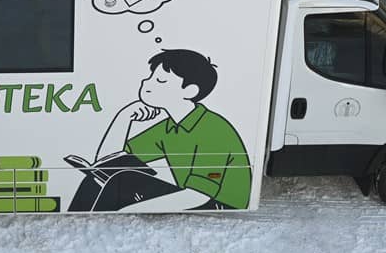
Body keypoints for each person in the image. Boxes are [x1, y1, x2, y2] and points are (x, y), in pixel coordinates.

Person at [71, 49, 251, 212]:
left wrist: (129, 209)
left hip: (219, 203)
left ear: (189, 91)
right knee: (100, 179)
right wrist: (123, 117)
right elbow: (109, 162)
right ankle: (80, 222)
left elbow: (199, 195)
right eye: (150, 77)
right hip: (192, 194)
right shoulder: (169, 127)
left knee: (122, 180)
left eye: (160, 80)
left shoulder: (213, 130)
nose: (145, 82)